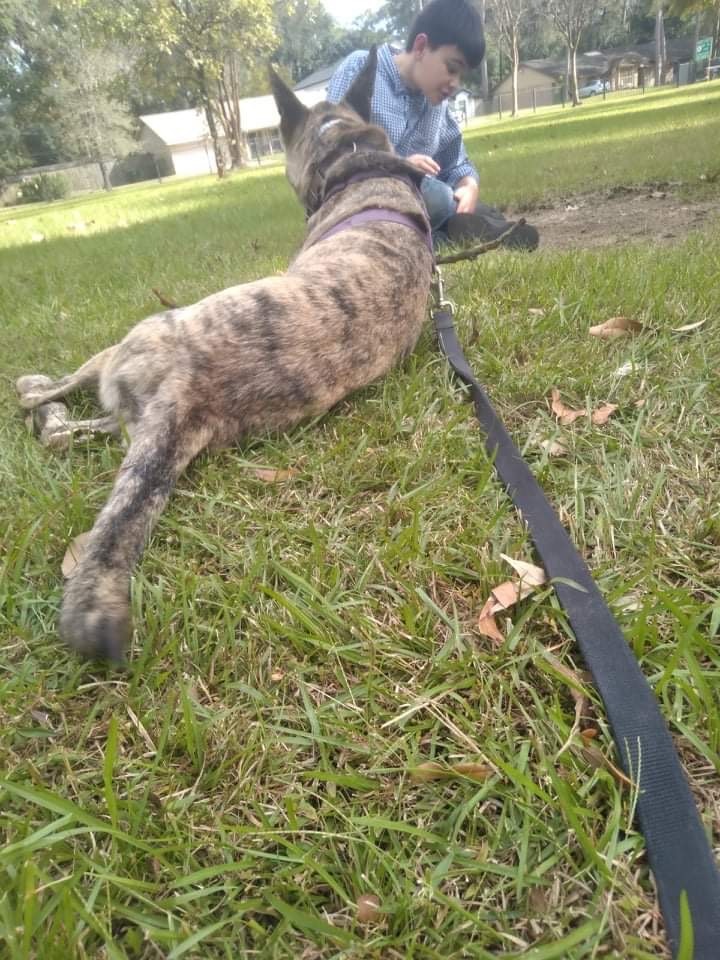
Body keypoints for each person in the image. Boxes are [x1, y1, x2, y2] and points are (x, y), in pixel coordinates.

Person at [326, 0, 539, 250]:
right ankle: (477, 226)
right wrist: (397, 167)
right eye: (452, 68)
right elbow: (331, 152)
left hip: (410, 213)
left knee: (445, 197)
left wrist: (468, 184)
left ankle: (448, 236)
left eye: (462, 76)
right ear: (421, 46)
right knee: (437, 197)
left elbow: (456, 161)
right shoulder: (362, 68)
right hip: (359, 204)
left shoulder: (435, 102)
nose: (455, 83)